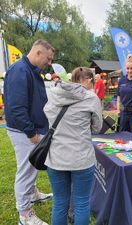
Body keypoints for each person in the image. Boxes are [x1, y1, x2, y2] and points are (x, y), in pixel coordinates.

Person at [4, 39, 54, 225]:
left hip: (29, 129)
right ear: (38, 53)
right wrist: (31, 133)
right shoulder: (20, 70)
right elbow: (16, 108)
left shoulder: (31, 71)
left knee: (30, 167)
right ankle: (24, 215)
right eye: (48, 59)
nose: (49, 63)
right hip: (24, 131)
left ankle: (32, 194)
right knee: (26, 170)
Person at [44, 67, 102, 225]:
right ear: (89, 80)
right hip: (81, 158)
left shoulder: (52, 94)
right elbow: (97, 128)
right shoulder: (91, 98)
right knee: (82, 203)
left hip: (56, 157)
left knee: (60, 203)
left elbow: (47, 118)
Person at [116, 54, 132, 133]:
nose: (129, 71)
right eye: (127, 68)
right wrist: (118, 110)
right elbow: (119, 97)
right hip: (123, 113)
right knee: (122, 135)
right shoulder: (122, 80)